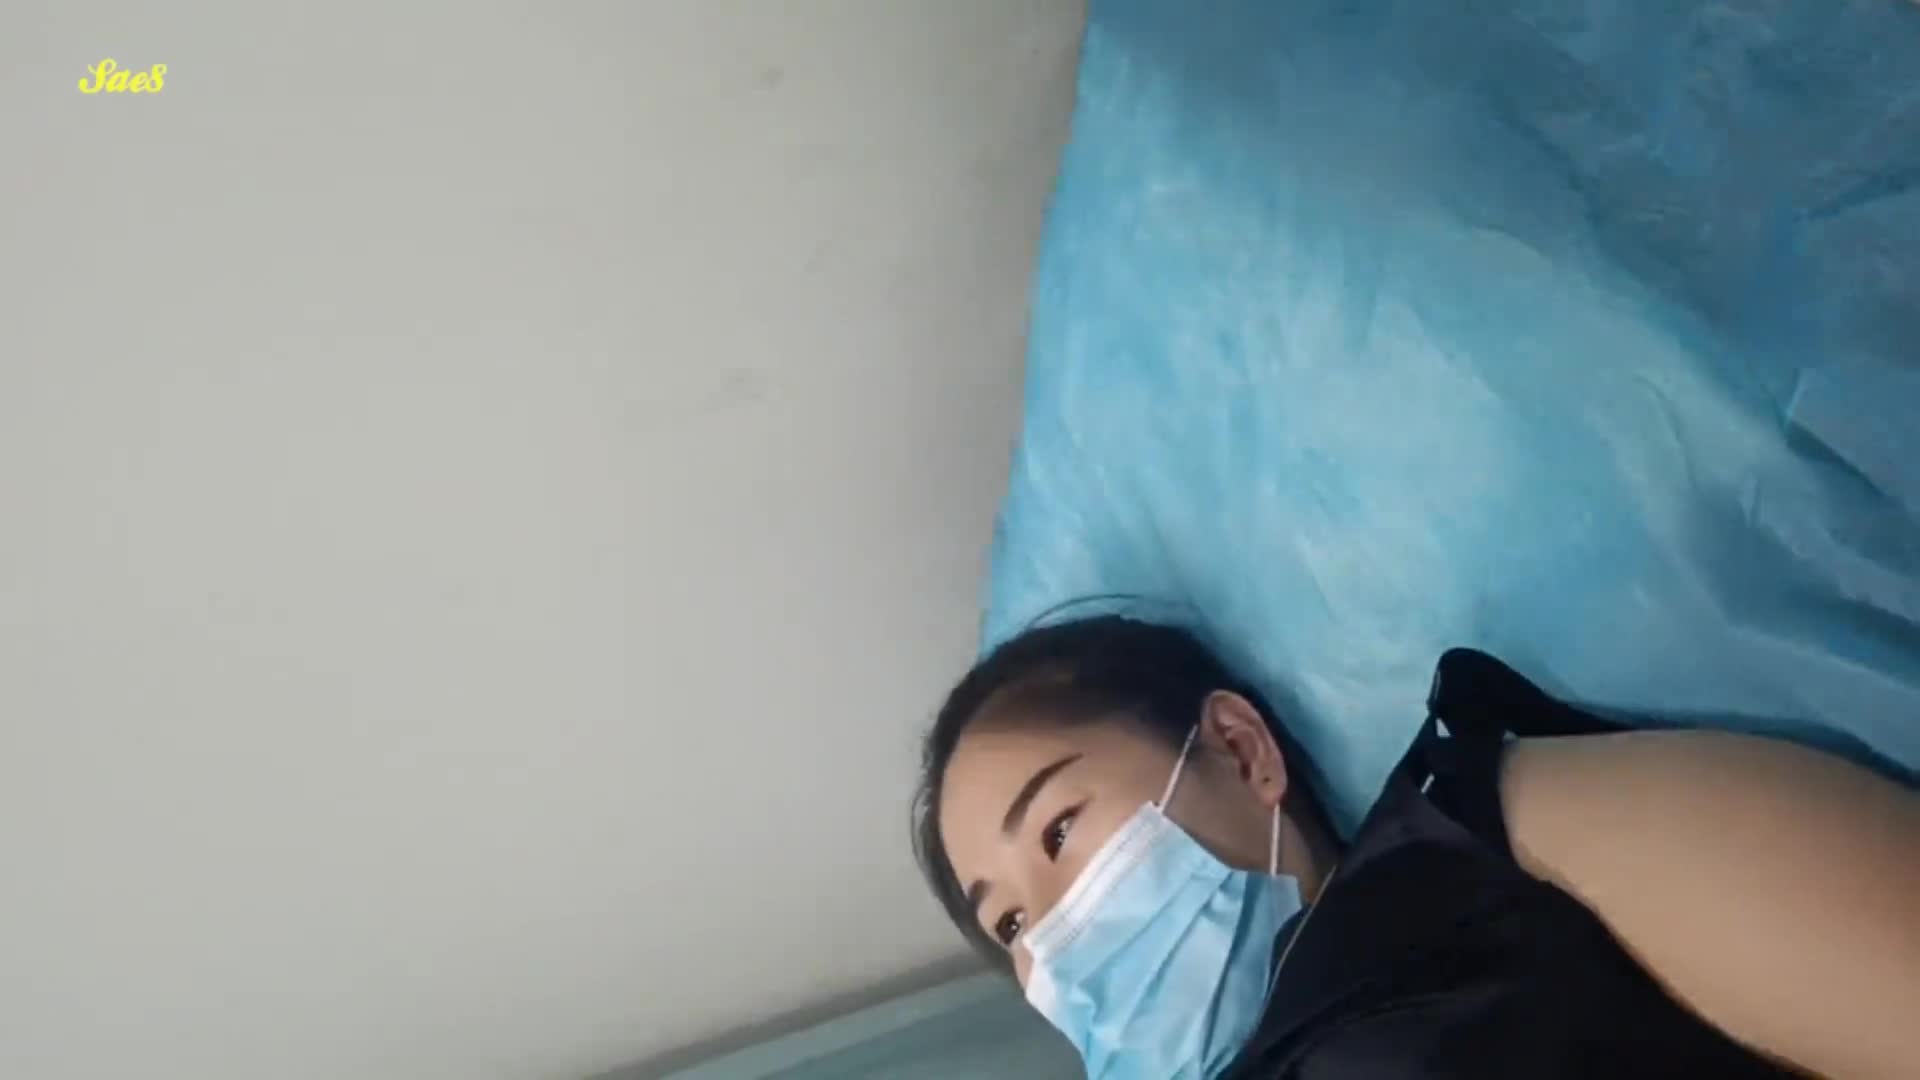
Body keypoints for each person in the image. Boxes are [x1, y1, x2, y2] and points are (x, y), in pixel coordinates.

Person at [911, 616, 1920, 1078]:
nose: (1056, 942)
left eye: (1058, 832)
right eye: (1012, 924)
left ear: (1238, 750)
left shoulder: (1494, 832)